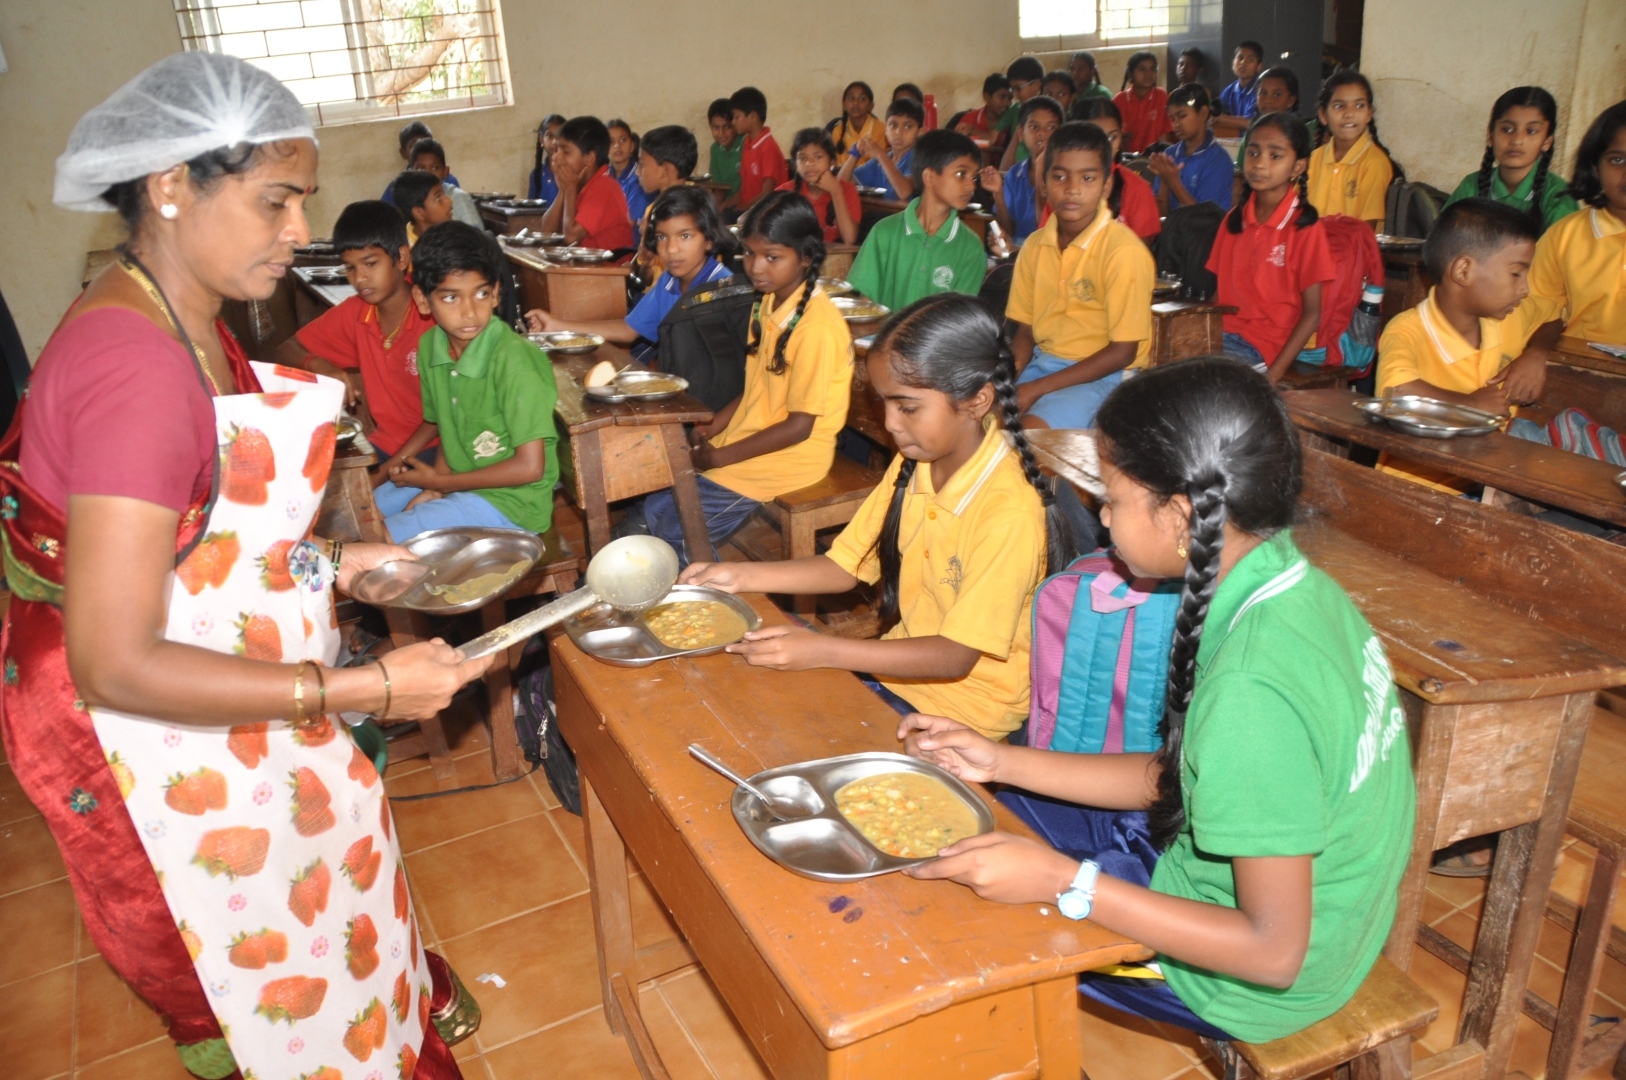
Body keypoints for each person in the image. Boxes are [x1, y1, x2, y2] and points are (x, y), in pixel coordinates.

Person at [10, 50, 487, 1079]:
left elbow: (200, 528)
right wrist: (363, 685)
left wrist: (334, 561)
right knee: (254, 963)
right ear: (171, 184)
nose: (300, 233)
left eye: (301, 201)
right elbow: (114, 661)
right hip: (127, 724)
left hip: (189, 647)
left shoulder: (177, 307)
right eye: (275, 202)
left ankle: (381, 1013)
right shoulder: (133, 369)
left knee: (322, 875)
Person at [898, 357, 1413, 1046]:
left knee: (960, 904)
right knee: (987, 813)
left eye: (1110, 497)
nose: (1101, 516)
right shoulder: (1291, 581)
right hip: (1298, 909)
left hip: (1240, 979)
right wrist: (999, 760)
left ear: (1178, 515)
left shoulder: (1252, 689)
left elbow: (1271, 953)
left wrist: (1062, 881)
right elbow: (1185, 777)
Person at [680, 294, 1075, 740]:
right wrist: (737, 577)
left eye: (906, 407)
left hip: (966, 713)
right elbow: (842, 566)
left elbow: (955, 655)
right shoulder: (918, 462)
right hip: (901, 676)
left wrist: (827, 650)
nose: (890, 423)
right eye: (884, 403)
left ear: (977, 401)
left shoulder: (1009, 510)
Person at [635, 191, 851, 561]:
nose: (756, 268)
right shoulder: (767, 302)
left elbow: (799, 426)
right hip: (753, 434)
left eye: (772, 257)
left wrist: (720, 458)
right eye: (749, 253)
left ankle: (722, 605)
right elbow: (756, 388)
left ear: (806, 257)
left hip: (793, 456)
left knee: (678, 531)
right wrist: (710, 429)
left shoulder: (816, 326)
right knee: (654, 508)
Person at [373, 222, 559, 542]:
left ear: (497, 293)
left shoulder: (515, 360)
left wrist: (442, 486)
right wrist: (435, 486)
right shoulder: (431, 346)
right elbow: (451, 427)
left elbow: (530, 468)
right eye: (450, 298)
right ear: (422, 299)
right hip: (460, 482)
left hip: (513, 505)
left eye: (481, 293)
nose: (470, 311)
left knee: (382, 538)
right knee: (364, 510)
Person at [1374, 198, 1562, 489]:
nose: (1525, 289)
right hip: (1417, 485)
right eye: (1516, 273)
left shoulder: (1508, 315)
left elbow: (1552, 318)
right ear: (1463, 271)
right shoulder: (1409, 329)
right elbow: (1395, 393)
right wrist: (1469, 404)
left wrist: (1535, 354)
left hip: (1487, 480)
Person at [1007, 122, 1155, 430]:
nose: (1072, 188)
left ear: (1106, 186)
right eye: (1059, 176)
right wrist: (1005, 381)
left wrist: (1036, 389)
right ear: (1043, 183)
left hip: (1105, 376)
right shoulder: (1035, 246)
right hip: (1043, 364)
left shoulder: (1123, 251)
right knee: (976, 426)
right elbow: (1025, 334)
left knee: (1031, 438)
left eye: (1087, 178)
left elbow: (1122, 352)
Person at [276, 200, 436, 477]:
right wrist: (318, 364)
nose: (360, 278)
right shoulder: (357, 313)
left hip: (437, 449)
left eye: (370, 263)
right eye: (350, 268)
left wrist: (385, 472)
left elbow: (441, 419)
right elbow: (284, 350)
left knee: (369, 509)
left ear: (401, 258)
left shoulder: (431, 316)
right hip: (386, 444)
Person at [525, 185, 735, 352]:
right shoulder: (669, 281)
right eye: (662, 237)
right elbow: (629, 329)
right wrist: (557, 325)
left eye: (685, 236)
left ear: (709, 239)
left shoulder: (724, 290)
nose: (671, 249)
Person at [1207, 112, 1335, 381]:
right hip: (1218, 337)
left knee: (1204, 382)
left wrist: (1273, 376)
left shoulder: (1304, 228)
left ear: (1298, 166)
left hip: (1263, 348)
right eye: (1253, 153)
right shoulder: (1234, 220)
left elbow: (1313, 314)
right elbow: (1218, 295)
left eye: (1275, 156)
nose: (1260, 164)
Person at [847, 130, 987, 311]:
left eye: (974, 177)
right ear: (929, 177)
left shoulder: (971, 247)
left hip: (936, 339)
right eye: (961, 174)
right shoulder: (884, 232)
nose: (971, 185)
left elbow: (958, 320)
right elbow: (865, 304)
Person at [1523, 100, 1626, 347]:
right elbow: (1536, 312)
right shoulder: (1565, 236)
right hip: (1578, 368)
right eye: (1618, 160)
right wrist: (1536, 353)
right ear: (1595, 167)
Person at [1442, 87, 1578, 233]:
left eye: (1531, 131)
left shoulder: (1559, 195)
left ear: (1547, 142)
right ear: (1490, 135)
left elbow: (1564, 253)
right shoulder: (1471, 185)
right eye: (1507, 129)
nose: (1517, 140)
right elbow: (1442, 241)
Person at [1308, 71, 1399, 229]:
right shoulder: (1314, 158)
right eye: (1339, 106)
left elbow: (1365, 230)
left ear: (1369, 113)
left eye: (1359, 105)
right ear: (1323, 115)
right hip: (1311, 248)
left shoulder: (1375, 162)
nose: (1349, 114)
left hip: (1352, 250)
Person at [536, 115, 635, 251]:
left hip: (610, 269)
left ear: (589, 158)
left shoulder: (604, 187)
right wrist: (563, 191)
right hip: (585, 268)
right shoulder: (579, 183)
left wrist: (570, 190)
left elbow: (571, 238)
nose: (556, 157)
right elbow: (546, 232)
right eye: (557, 150)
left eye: (565, 151)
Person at [1073, 97, 1162, 243]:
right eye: (1095, 138)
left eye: (1112, 137)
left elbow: (1141, 258)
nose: (1105, 147)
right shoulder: (1063, 187)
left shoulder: (1137, 189)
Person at [985, 95, 1065, 242]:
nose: (1042, 133)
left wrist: (1041, 169)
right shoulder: (1015, 174)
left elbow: (1047, 231)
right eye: (1034, 127)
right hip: (1017, 249)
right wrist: (998, 194)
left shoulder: (1064, 175)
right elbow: (1008, 230)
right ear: (1021, 133)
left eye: (1051, 127)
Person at [1147, 83, 1234, 211]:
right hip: (1173, 229)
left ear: (1203, 113)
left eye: (1182, 116)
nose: (1176, 124)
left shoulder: (1218, 160)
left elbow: (1204, 219)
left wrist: (1173, 181)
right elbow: (1161, 215)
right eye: (1172, 118)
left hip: (1206, 230)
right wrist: (1165, 181)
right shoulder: (1170, 154)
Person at [779, 128, 862, 245]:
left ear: (832, 162)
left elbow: (850, 239)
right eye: (802, 158)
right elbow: (747, 219)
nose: (809, 163)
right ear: (795, 165)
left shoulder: (847, 190)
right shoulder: (785, 192)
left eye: (818, 157)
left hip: (835, 260)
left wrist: (836, 192)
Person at [840, 95, 923, 201]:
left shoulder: (917, 159)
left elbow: (905, 193)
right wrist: (855, 153)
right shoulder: (878, 162)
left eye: (908, 126)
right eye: (893, 125)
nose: (898, 132)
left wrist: (881, 155)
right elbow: (841, 185)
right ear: (886, 130)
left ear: (919, 132)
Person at [725, 86, 788, 217]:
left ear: (753, 116)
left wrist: (739, 209)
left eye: (736, 117)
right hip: (750, 208)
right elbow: (744, 191)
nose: (733, 122)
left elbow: (767, 194)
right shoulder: (747, 143)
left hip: (767, 212)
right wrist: (724, 205)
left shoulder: (768, 147)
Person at [407, 137, 482, 226]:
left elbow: (477, 237)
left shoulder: (459, 199)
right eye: (420, 169)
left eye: (435, 168)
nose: (428, 174)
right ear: (410, 173)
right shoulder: (409, 200)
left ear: (445, 172)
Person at [382, 118, 459, 202]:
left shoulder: (449, 180)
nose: (420, 150)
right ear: (403, 153)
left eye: (425, 143)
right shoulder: (397, 187)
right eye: (414, 146)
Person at [1114, 51, 1171, 153]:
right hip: (1126, 158)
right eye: (1142, 69)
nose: (1148, 73)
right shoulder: (1120, 100)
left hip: (1155, 158)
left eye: (1153, 69)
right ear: (1130, 74)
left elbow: (1165, 134)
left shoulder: (1161, 96)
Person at [1213, 41, 1264, 137]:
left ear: (1259, 66)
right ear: (1233, 63)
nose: (1243, 63)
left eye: (1250, 59)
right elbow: (1217, 111)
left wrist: (1219, 118)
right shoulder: (1230, 90)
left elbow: (1250, 123)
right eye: (1240, 58)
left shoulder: (1260, 90)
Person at [390, 167, 455, 242]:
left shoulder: (454, 235)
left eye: (444, 194)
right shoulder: (406, 249)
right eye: (438, 198)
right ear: (419, 213)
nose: (449, 201)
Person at [607, 119, 648, 236]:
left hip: (628, 249)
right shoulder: (603, 177)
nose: (617, 146)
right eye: (611, 142)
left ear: (632, 146)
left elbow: (626, 226)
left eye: (623, 140)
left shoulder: (640, 179)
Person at [828, 80, 884, 164]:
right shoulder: (838, 131)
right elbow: (836, 165)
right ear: (844, 105)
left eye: (862, 99)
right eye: (851, 98)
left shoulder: (882, 129)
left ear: (871, 106)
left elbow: (881, 163)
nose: (856, 103)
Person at [707, 98, 744, 199]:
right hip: (726, 205)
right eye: (716, 127)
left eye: (727, 127)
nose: (721, 133)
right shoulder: (715, 149)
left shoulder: (745, 145)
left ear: (735, 125)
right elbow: (719, 187)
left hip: (745, 202)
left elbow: (749, 188)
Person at [962, 74, 1013, 145]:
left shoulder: (1013, 121)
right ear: (987, 97)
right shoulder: (969, 120)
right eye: (1002, 97)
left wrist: (974, 131)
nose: (1007, 103)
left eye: (1010, 98)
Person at [527, 113, 565, 202]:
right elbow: (529, 210)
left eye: (559, 136)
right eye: (550, 136)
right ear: (542, 140)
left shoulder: (573, 171)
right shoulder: (537, 175)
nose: (554, 141)